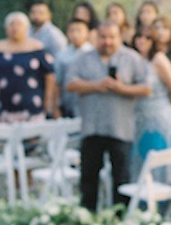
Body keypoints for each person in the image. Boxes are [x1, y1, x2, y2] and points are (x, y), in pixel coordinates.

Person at [64, 20, 150, 209]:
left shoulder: (132, 58)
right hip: (91, 127)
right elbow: (70, 84)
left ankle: (119, 216)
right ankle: (87, 215)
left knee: (121, 175)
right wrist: (95, 85)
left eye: (112, 37)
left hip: (120, 127)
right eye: (103, 37)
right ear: (96, 37)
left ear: (119, 38)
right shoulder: (83, 58)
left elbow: (146, 88)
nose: (107, 42)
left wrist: (121, 88)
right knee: (88, 174)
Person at [0, 13, 57, 122]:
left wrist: (48, 101)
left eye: (19, 24)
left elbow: (50, 75)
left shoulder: (37, 48)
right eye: (11, 24)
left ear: (27, 28)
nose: (15, 28)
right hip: (3, 106)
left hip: (32, 105)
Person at [131, 26, 171, 164]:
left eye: (147, 38)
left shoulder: (159, 59)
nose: (142, 41)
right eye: (139, 37)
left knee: (157, 155)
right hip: (138, 116)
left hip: (158, 114)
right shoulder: (133, 59)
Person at [54, 18, 91, 119]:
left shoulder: (93, 54)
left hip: (88, 105)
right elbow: (57, 82)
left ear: (87, 33)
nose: (75, 34)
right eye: (72, 30)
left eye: (79, 30)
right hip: (67, 105)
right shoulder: (61, 55)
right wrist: (55, 107)